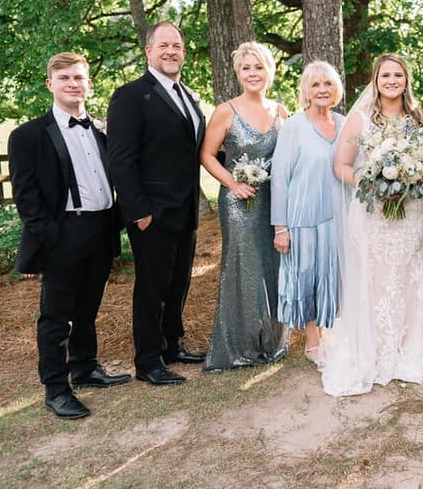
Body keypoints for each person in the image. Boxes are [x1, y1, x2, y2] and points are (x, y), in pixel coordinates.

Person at [9, 52, 131, 419]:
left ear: (88, 85)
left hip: (101, 229)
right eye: (64, 78)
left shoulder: (102, 131)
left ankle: (85, 368)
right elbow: (26, 197)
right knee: (56, 317)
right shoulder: (28, 135)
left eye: (78, 78)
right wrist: (52, 235)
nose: (72, 84)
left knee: (88, 309)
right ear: (50, 84)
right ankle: (56, 389)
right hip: (63, 233)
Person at [322, 53, 423, 396]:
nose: (392, 81)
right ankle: (373, 349)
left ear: (406, 80)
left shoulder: (418, 117)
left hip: (410, 212)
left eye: (398, 75)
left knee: (406, 276)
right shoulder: (359, 119)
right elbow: (341, 166)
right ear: (375, 81)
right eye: (385, 75)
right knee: (374, 277)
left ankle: (406, 347)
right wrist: (371, 184)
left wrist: (411, 179)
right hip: (372, 213)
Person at [108, 22, 206, 386]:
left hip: (185, 210)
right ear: (148, 51)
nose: (171, 51)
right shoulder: (131, 96)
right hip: (152, 212)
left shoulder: (188, 96)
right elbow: (121, 160)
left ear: (184, 53)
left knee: (178, 282)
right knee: (151, 289)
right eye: (163, 45)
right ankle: (148, 360)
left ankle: (172, 345)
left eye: (176, 46)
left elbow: (194, 149)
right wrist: (139, 212)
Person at [200, 41, 289, 371]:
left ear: (269, 72)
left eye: (259, 67)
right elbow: (207, 154)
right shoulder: (226, 111)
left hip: (273, 202)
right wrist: (232, 183)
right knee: (245, 268)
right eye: (246, 68)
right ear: (238, 73)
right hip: (239, 203)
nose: (253, 73)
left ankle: (272, 340)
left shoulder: (281, 112)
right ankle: (242, 344)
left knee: (273, 265)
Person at [270, 61, 345, 363]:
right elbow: (279, 177)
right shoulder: (294, 126)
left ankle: (331, 335)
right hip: (302, 218)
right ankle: (313, 341)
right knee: (307, 279)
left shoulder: (345, 124)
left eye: (328, 83)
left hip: (337, 217)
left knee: (332, 277)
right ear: (306, 91)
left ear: (336, 89)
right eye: (315, 85)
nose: (322, 90)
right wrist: (280, 227)